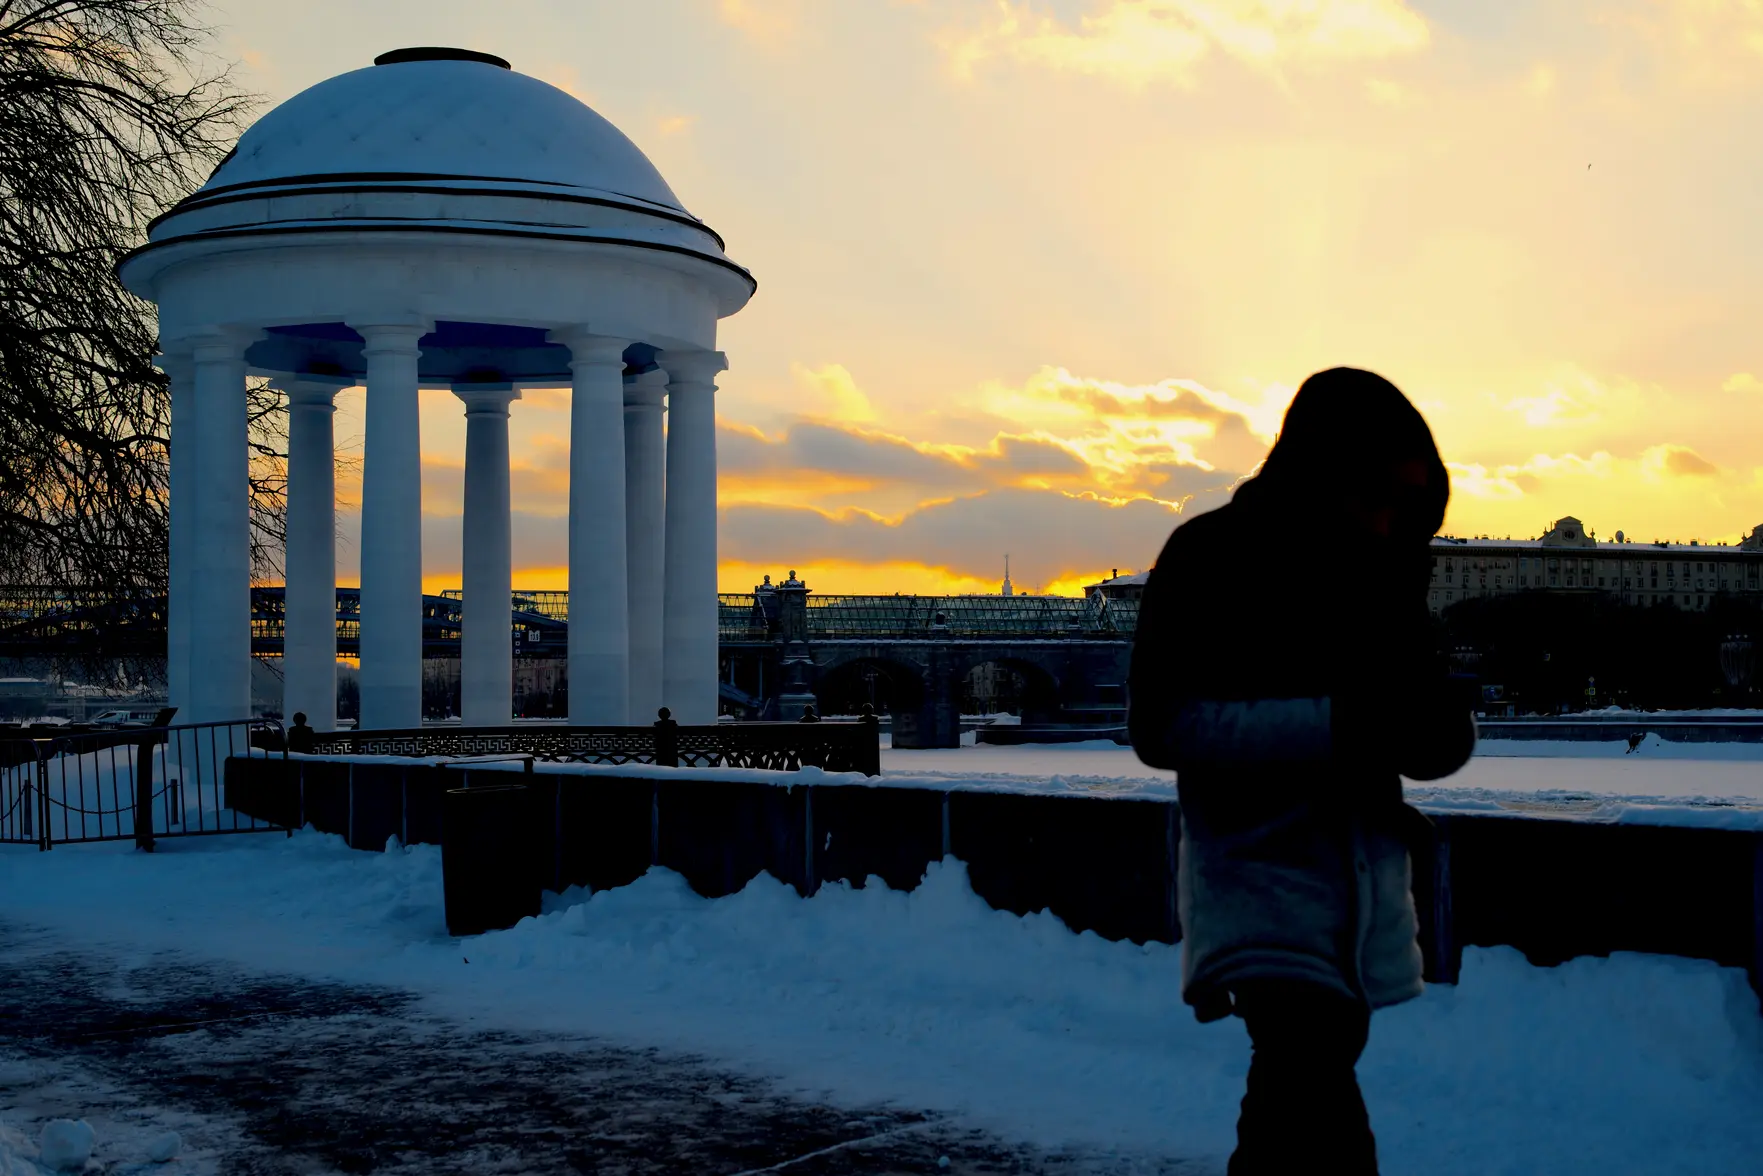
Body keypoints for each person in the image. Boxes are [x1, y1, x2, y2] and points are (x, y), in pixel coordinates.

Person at [1127, 367, 1476, 1175]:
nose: (1391, 523)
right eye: (1379, 496)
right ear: (1323, 473)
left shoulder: (1381, 576)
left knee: (1298, 1112)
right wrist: (1338, 725)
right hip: (1259, 887)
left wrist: (1432, 732)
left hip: (1362, 895)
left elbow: (1417, 737)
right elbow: (1161, 726)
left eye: (1409, 506)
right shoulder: (1207, 555)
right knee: (1311, 1102)